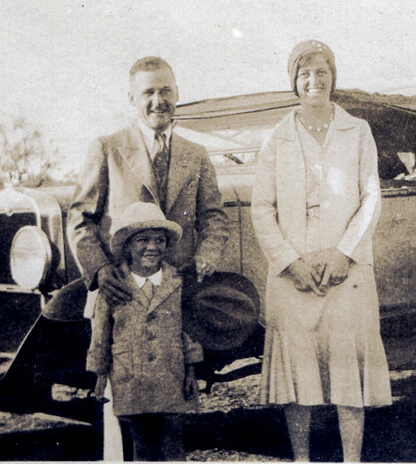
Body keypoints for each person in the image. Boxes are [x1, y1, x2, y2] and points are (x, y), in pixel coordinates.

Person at [67, 56, 229, 456]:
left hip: (177, 299)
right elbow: (80, 219)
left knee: (174, 412)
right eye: (148, 92)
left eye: (165, 91)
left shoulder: (196, 154)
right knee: (123, 418)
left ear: (177, 95)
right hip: (122, 301)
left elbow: (215, 218)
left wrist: (204, 260)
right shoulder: (107, 148)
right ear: (131, 99)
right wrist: (101, 271)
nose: (158, 100)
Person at [251, 40, 391, 462]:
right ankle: (302, 459)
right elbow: (262, 206)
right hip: (294, 276)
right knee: (299, 374)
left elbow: (371, 196)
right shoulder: (276, 137)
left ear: (333, 77)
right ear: (294, 81)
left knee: (350, 368)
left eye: (322, 71)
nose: (314, 81)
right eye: (305, 73)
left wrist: (344, 253)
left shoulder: (358, 130)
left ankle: (351, 458)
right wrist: (289, 262)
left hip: (347, 274)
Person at [87, 201, 202, 461]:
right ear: (127, 245)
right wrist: (99, 375)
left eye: (159, 240)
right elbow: (102, 334)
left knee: (173, 441)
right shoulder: (115, 285)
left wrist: (191, 371)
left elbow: (188, 331)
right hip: (131, 379)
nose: (152, 247)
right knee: (141, 442)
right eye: (143, 240)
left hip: (170, 377)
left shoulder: (177, 281)